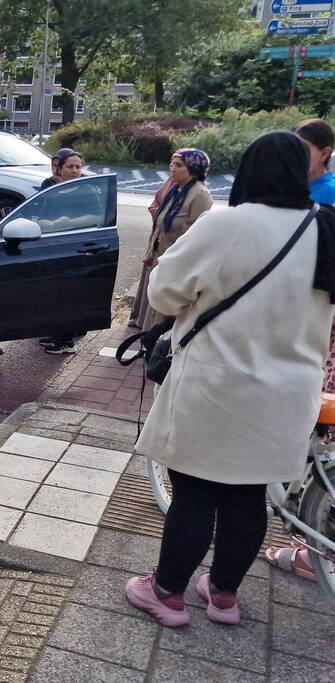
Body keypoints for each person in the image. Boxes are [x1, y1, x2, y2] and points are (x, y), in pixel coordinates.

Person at [124, 131, 335, 628]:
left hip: (217, 387)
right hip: (288, 394)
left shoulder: (227, 225)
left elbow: (165, 292)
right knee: (248, 495)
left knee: (195, 494)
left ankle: (167, 594)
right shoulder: (326, 229)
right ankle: (223, 597)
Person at [263, 118, 335, 583]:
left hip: (323, 333)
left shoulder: (324, 199)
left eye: (301, 149)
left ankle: (314, 536)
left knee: (312, 414)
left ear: (324, 152)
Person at [141, 148, 213, 332]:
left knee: (164, 314)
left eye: (178, 165)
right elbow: (160, 225)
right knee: (155, 308)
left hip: (177, 263)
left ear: (194, 167)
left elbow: (197, 236)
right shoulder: (176, 190)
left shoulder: (200, 195)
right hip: (161, 257)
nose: (172, 168)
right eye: (172, 163)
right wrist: (151, 252)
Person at [35, 149, 92, 354]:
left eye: (78, 166)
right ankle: (56, 333)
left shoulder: (87, 190)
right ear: (59, 169)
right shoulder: (52, 190)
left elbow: (94, 218)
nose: (75, 170)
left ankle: (67, 341)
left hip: (77, 249)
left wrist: (69, 222)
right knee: (53, 293)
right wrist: (49, 223)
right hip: (53, 248)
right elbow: (40, 217)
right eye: (70, 166)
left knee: (69, 294)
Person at [129, 177, 177, 329]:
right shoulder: (172, 183)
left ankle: (153, 324)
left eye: (178, 164)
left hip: (170, 245)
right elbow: (155, 205)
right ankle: (141, 319)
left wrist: (166, 218)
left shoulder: (197, 193)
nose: (173, 167)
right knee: (150, 280)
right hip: (157, 239)